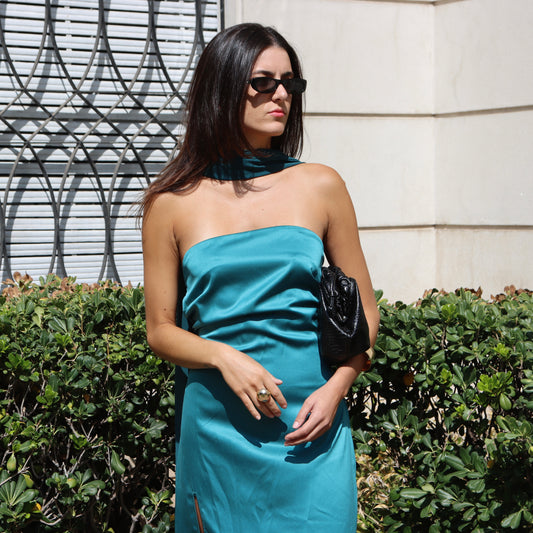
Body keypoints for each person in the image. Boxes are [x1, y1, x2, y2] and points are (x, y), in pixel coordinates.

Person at [141, 22, 380, 533]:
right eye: (263, 82)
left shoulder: (321, 185)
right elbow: (160, 331)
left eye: (290, 83)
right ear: (223, 87)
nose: (281, 95)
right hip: (217, 429)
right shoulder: (170, 203)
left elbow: (366, 312)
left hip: (310, 425)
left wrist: (337, 388)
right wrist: (223, 357)